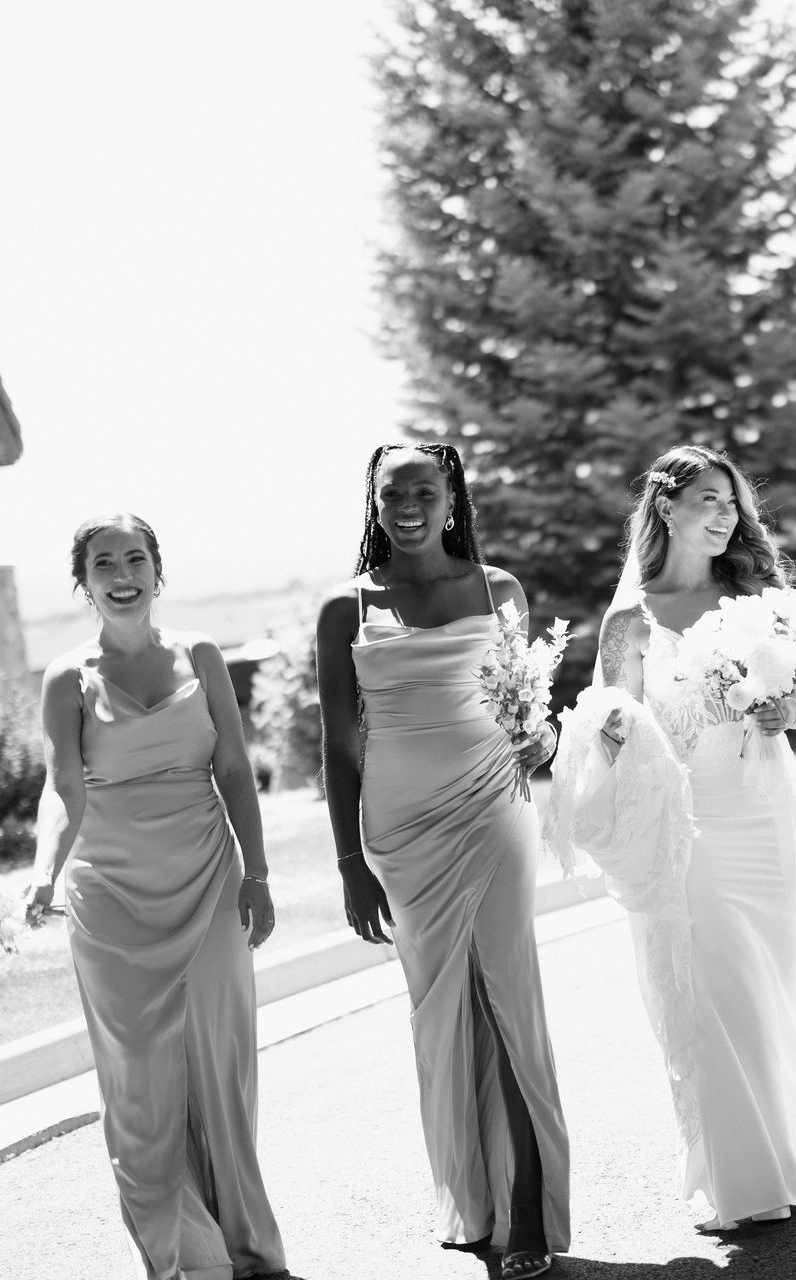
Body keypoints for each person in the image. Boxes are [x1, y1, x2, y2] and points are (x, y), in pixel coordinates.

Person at [546, 445, 796, 1232]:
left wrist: (780, 712)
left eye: (733, 503)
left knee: (771, 983)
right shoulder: (631, 621)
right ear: (666, 508)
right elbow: (615, 727)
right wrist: (595, 735)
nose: (727, 514)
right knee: (708, 988)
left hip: (762, 807)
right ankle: (738, 1176)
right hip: (687, 823)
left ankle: (783, 1141)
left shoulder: (758, 595)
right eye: (710, 498)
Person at [315, 443, 569, 1277]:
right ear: (374, 505)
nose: (410, 505)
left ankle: (528, 1213)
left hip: (493, 811)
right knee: (441, 1014)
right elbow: (340, 743)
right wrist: (351, 861)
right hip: (401, 833)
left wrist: (544, 742)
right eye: (394, 493)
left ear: (451, 497)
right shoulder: (345, 609)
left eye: (426, 489)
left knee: (506, 1002)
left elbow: (529, 714)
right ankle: (473, 1199)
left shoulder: (499, 592)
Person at [25, 513, 287, 1280]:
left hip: (208, 880)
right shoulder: (66, 679)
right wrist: (44, 871)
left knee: (221, 1069)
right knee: (139, 1084)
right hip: (109, 898)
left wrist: (259, 873)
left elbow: (235, 769)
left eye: (134, 557)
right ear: (84, 580)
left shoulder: (201, 655)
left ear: (156, 569)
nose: (121, 572)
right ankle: (184, 1259)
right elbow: (61, 787)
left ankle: (247, 1250)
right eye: (104, 561)